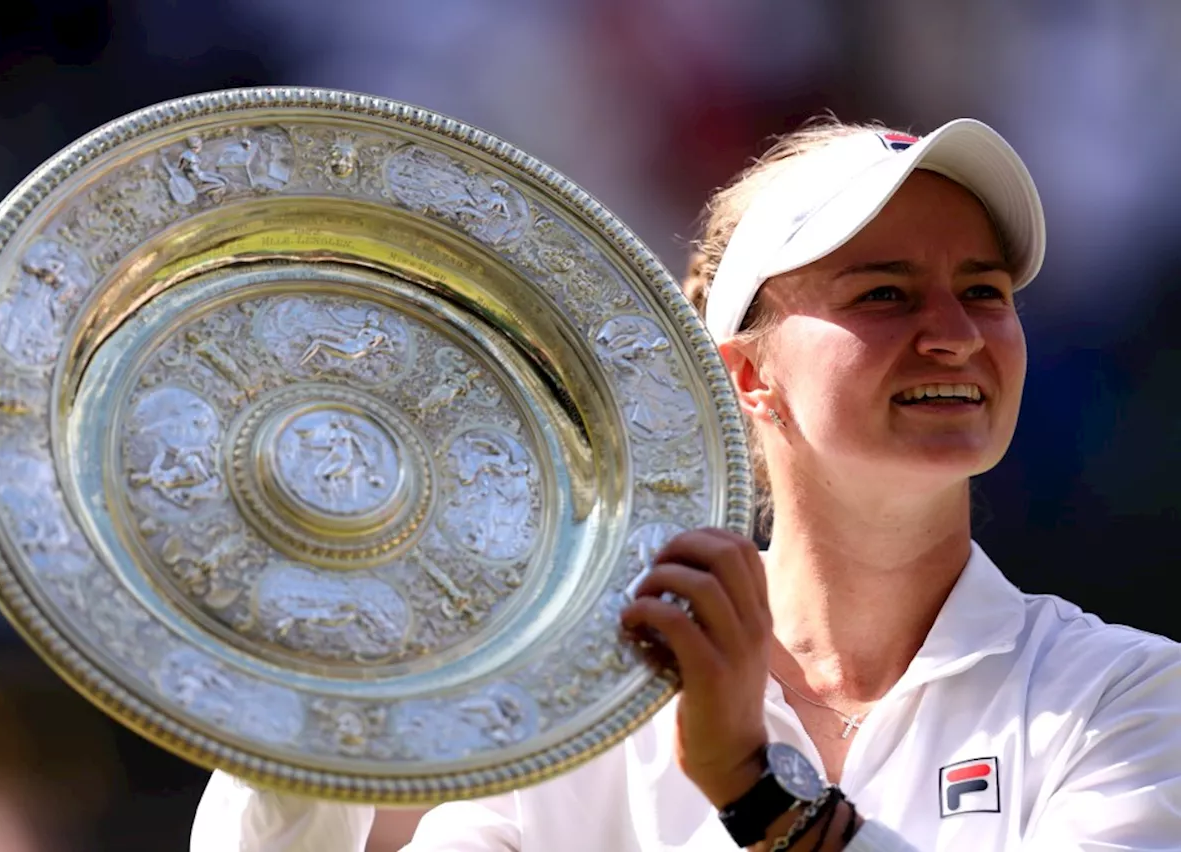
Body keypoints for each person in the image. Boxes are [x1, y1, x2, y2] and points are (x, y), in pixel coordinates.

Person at [189, 116, 1182, 850]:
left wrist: (755, 790)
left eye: (982, 291)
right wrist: (313, 695)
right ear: (746, 373)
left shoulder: (1128, 693)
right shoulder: (586, 704)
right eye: (883, 292)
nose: (954, 333)